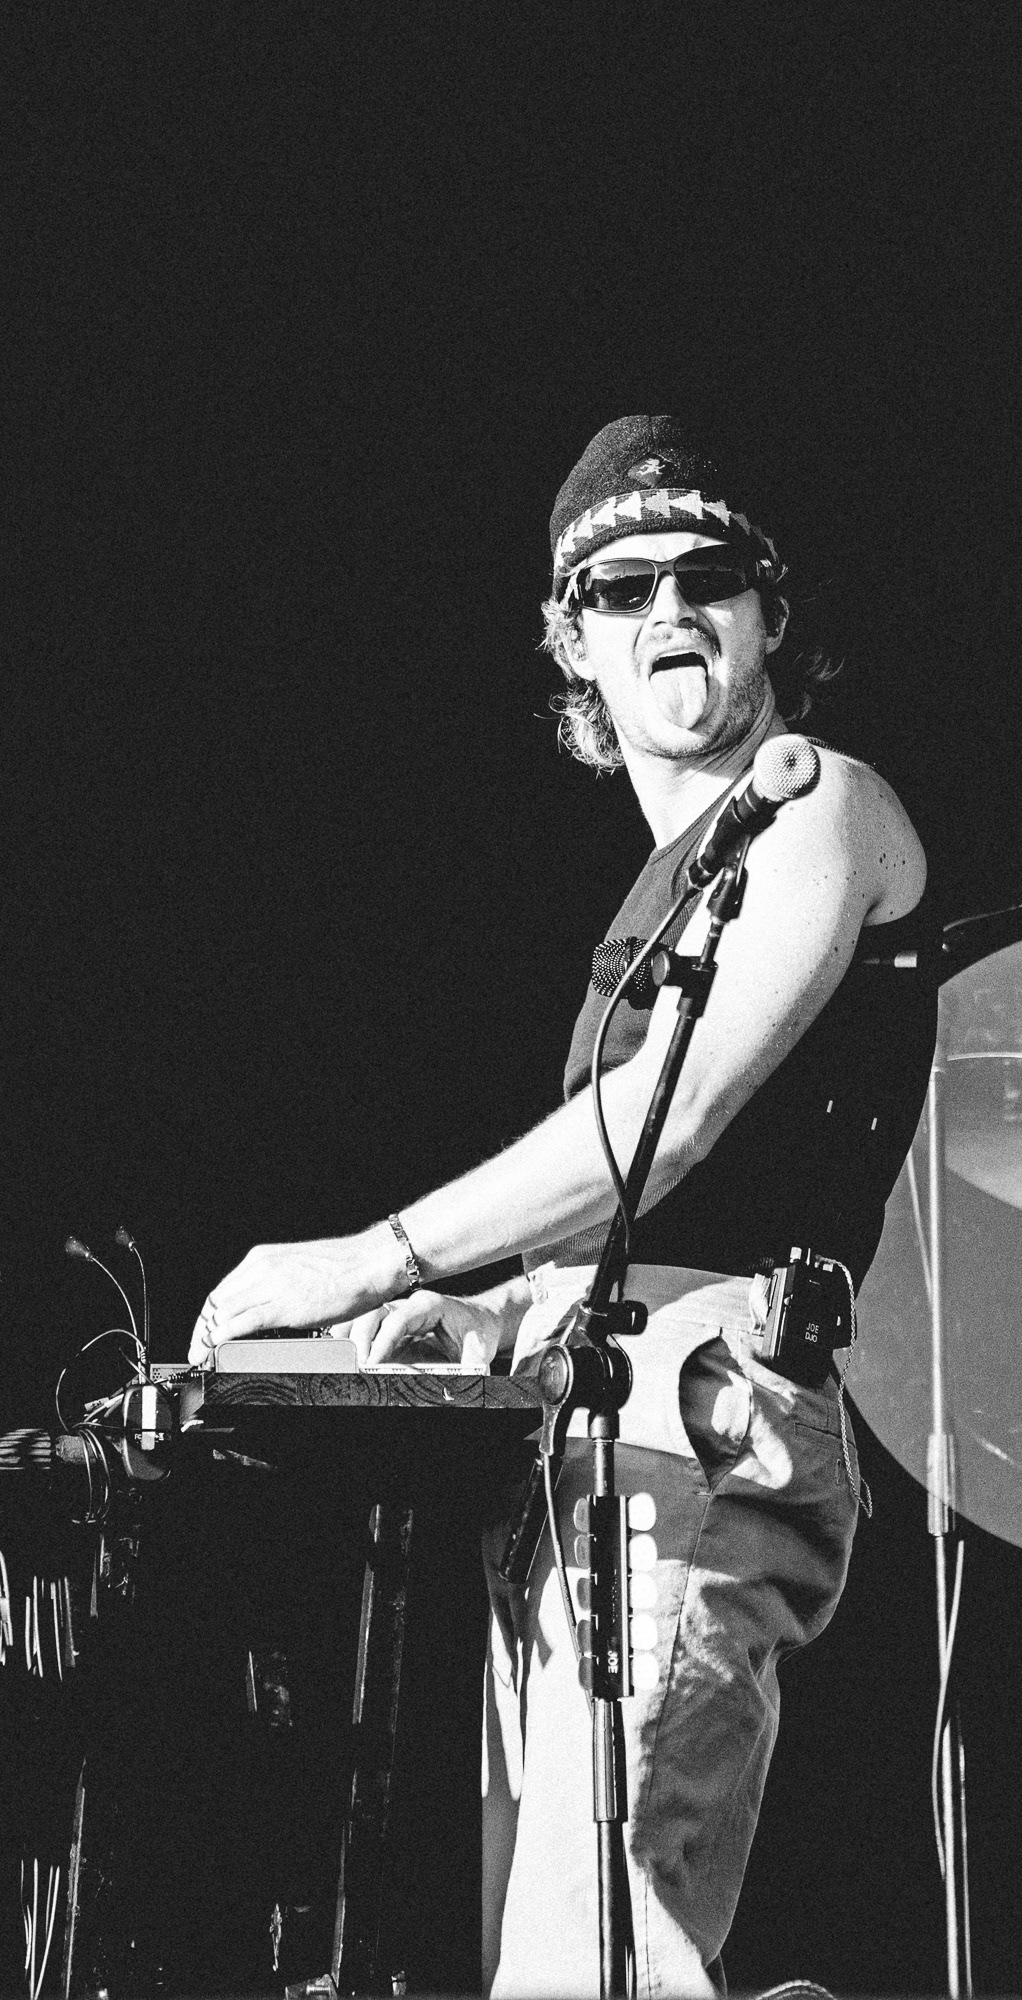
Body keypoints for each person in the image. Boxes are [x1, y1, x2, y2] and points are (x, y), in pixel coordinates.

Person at [189, 414, 930, 1996]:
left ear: (770, 617)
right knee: (555, 1955)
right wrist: (484, 1306)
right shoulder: (675, 879)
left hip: (697, 1413)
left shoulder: (826, 805)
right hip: (581, 1428)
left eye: (705, 576)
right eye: (619, 588)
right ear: (572, 644)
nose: (667, 609)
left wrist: (369, 1259)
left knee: (597, 1960)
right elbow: (631, 1201)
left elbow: (671, 1125)